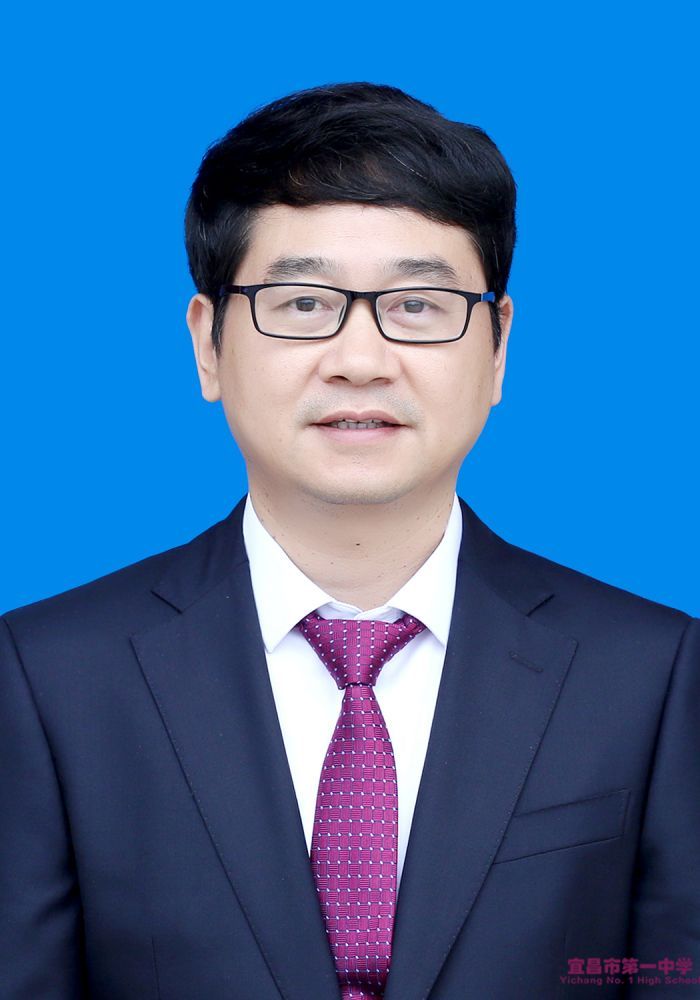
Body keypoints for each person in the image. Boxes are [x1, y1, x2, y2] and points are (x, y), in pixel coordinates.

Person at [1, 82, 698, 1000]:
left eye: (418, 305)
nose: (361, 360)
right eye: (302, 303)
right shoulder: (48, 677)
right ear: (209, 344)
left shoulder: (651, 674)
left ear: (497, 347)